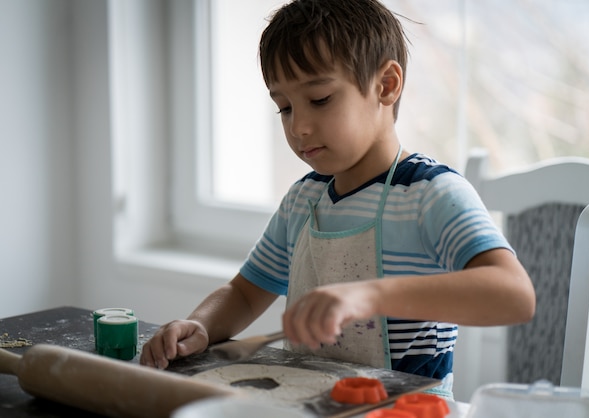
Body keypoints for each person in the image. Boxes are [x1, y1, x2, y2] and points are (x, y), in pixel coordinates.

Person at [140, 0, 535, 398]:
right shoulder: (303, 200)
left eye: (320, 99)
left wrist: (369, 295)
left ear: (386, 85)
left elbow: (514, 295)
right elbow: (244, 293)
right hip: (309, 403)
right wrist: (202, 326)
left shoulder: (430, 194)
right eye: (284, 108)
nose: (299, 127)